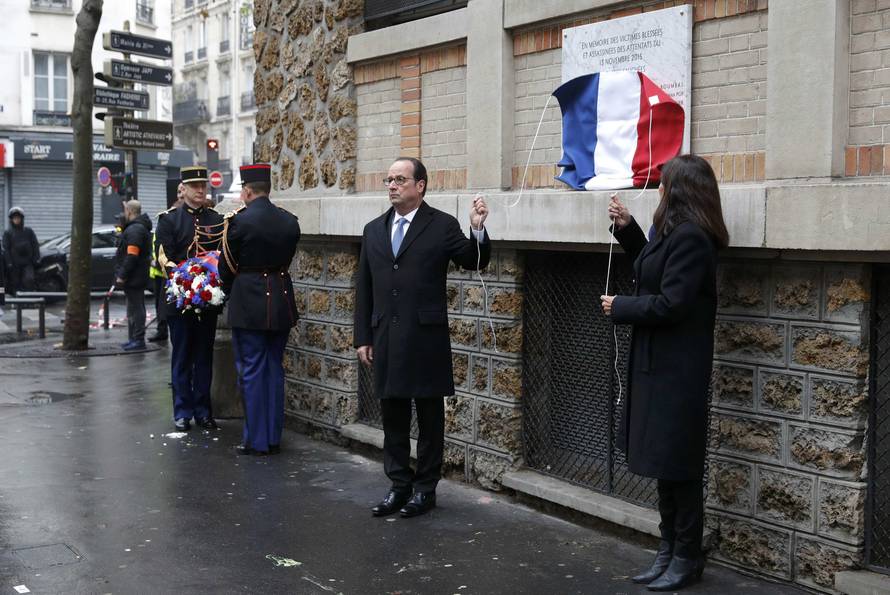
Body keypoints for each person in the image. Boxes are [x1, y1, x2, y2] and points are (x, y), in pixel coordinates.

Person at [601, 154, 729, 592]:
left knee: (679, 466)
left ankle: (687, 556)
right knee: (662, 463)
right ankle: (667, 549)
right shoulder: (674, 234)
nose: (658, 189)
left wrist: (621, 307)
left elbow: (672, 302)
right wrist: (629, 227)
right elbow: (650, 267)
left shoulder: (694, 238)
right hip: (656, 364)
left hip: (678, 370)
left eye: (663, 183)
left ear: (679, 191)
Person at [354, 157, 490, 518]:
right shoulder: (374, 230)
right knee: (392, 416)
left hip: (425, 338)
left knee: (430, 418)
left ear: (420, 186)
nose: (392, 185)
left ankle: (425, 489)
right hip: (385, 337)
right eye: (389, 179)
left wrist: (477, 228)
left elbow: (473, 260)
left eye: (400, 179)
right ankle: (399, 485)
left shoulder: (441, 225)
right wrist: (362, 337)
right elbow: (364, 287)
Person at [219, 163, 301, 456]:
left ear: (247, 191)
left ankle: (256, 441)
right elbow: (287, 260)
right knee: (274, 369)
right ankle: (273, 437)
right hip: (280, 301)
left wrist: (231, 291)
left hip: (248, 302)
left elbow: (226, 267)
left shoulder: (238, 222)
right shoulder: (290, 221)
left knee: (251, 371)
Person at [156, 166, 224, 432]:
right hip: (179, 301)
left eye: (203, 186)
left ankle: (203, 411)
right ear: (182, 189)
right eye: (194, 186)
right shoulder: (169, 220)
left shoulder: (216, 219)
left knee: (204, 357)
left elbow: (221, 255)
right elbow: (163, 257)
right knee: (182, 356)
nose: (200, 190)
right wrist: (188, 281)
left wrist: (208, 281)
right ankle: (182, 411)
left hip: (207, 301)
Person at [148, 180, 185, 343]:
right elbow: (159, 248)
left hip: (174, 275)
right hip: (162, 272)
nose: (180, 194)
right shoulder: (166, 220)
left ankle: (162, 329)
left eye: (182, 191)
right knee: (162, 307)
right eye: (178, 192)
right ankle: (161, 329)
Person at [114, 200, 152, 351]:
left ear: (129, 211)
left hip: (134, 276)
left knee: (136, 308)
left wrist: (122, 275)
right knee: (134, 307)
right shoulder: (136, 228)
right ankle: (134, 339)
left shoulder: (135, 230)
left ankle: (138, 339)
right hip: (136, 275)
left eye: (125, 211)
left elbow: (132, 255)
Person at [3, 207, 40, 296]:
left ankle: (30, 301)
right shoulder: (8, 233)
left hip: (27, 263)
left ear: (22, 219)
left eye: (18, 218)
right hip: (14, 264)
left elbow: (35, 245)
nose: (16, 220)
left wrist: (36, 258)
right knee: (15, 283)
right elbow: (6, 249)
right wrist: (9, 263)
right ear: (11, 220)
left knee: (29, 280)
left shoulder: (29, 231)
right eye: (14, 218)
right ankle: (17, 302)